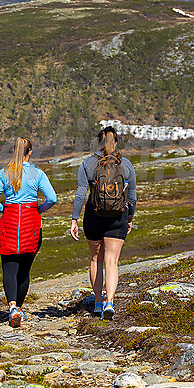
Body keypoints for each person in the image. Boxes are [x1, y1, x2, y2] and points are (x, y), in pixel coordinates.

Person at [70, 126, 137, 320]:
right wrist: (130, 217)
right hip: (118, 217)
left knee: (95, 259)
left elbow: (81, 193)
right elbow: (131, 197)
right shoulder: (126, 164)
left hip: (94, 217)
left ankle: (98, 301)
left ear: (99, 144)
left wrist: (74, 219)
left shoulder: (88, 164)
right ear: (115, 142)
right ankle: (110, 302)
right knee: (112, 262)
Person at [0, 137, 57, 328]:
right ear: (30, 152)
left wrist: (4, 208)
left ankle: (11, 306)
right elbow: (52, 198)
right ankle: (18, 307)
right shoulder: (38, 174)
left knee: (9, 268)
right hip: (31, 222)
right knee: (25, 269)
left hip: (10, 221)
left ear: (14, 151)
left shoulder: (4, 173)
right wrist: (40, 209)